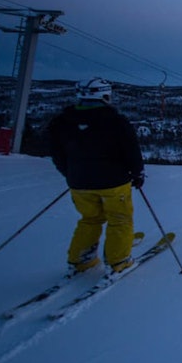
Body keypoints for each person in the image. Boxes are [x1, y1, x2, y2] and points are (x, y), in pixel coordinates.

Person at [47, 77, 145, 274]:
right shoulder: (115, 121)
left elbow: (56, 153)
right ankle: (119, 261)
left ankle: (81, 260)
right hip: (113, 182)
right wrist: (137, 173)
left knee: (90, 219)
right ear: (105, 95)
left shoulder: (61, 122)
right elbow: (131, 150)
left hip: (79, 183)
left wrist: (71, 173)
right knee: (120, 219)